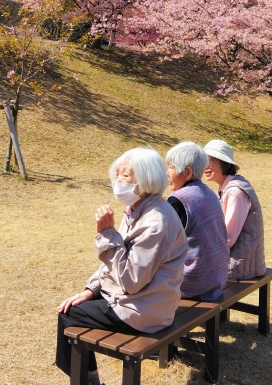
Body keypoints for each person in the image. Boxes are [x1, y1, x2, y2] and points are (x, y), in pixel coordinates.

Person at [55, 148, 188, 385]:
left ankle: (88, 381)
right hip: (142, 299)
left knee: (69, 314)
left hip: (146, 309)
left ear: (146, 179)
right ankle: (89, 379)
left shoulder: (155, 220)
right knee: (75, 305)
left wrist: (107, 233)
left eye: (125, 176)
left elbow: (131, 280)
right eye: (117, 174)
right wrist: (92, 289)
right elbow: (117, 263)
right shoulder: (138, 208)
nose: (118, 181)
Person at [165, 142, 229, 300]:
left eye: (171, 167)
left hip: (193, 282)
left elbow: (162, 245)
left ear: (187, 173)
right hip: (217, 278)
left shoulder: (179, 199)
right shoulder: (210, 193)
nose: (167, 173)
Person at [203, 139, 266, 280]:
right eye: (205, 160)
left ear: (225, 163)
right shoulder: (226, 187)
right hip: (233, 262)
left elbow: (227, 238)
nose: (206, 165)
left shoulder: (235, 191)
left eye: (212, 160)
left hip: (238, 267)